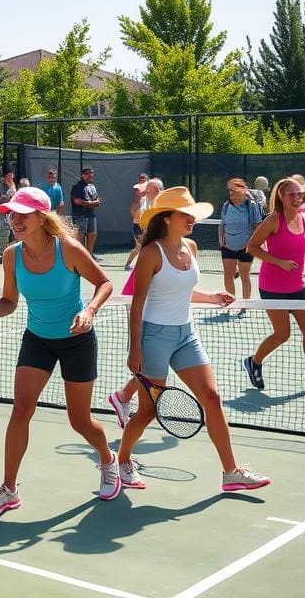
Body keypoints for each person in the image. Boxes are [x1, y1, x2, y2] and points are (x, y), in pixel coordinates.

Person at [0, 186, 120, 517]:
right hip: (38, 340)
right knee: (21, 410)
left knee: (79, 421)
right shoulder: (12, 255)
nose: (15, 220)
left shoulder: (69, 249)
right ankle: (8, 489)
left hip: (77, 340)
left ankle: (108, 458)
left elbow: (105, 283)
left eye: (23, 215)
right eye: (12, 215)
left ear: (41, 217)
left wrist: (89, 310)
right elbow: (8, 301)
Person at [116, 187, 270, 494]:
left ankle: (231, 473)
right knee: (147, 411)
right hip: (154, 337)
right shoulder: (149, 254)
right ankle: (121, 461)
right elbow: (137, 303)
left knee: (211, 398)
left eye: (192, 215)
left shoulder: (191, 247)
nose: (191, 220)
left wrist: (211, 297)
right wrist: (135, 349)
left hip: (187, 335)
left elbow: (182, 291)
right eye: (185, 215)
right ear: (166, 218)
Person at [243, 177, 305, 394]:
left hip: (297, 287)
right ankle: (254, 361)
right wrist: (278, 261)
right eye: (291, 194)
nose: (296, 198)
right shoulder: (273, 220)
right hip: (272, 287)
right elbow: (252, 247)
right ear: (281, 196)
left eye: (299, 194)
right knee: (282, 334)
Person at [218, 178, 264, 319]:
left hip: (246, 247)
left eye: (233, 190)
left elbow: (257, 227)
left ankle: (244, 308)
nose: (230, 193)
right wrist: (221, 238)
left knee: (244, 276)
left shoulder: (252, 206)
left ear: (242, 190)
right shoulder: (226, 206)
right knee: (228, 275)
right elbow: (222, 224)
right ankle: (231, 302)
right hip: (228, 246)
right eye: (229, 190)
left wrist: (251, 244)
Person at [124, 176, 161, 270]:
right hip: (139, 227)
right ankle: (128, 264)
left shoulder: (159, 201)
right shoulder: (141, 200)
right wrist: (142, 220)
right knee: (140, 247)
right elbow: (132, 211)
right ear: (149, 189)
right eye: (156, 189)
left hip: (153, 227)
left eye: (160, 189)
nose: (159, 191)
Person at [70, 167, 100, 255]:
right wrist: (91, 203)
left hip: (91, 215)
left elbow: (98, 201)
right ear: (82, 175)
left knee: (93, 234)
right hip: (79, 215)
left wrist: (94, 203)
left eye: (92, 172)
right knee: (80, 235)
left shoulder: (92, 187)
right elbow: (77, 201)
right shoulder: (76, 186)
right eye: (88, 173)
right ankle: (80, 255)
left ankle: (89, 254)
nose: (91, 174)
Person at [0, 168, 17, 263]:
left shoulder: (14, 185)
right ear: (5, 177)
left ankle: (10, 255)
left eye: (11, 176)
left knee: (13, 234)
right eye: (8, 176)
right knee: (3, 233)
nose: (10, 178)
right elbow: (0, 198)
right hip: (3, 212)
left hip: (12, 212)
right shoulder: (1, 185)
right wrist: (9, 197)